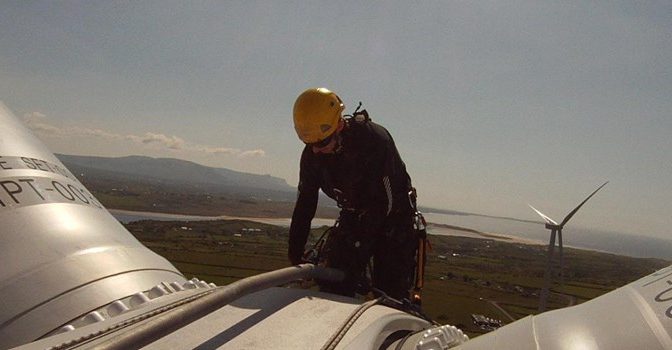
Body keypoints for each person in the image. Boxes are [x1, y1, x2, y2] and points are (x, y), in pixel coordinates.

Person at [288, 87, 420, 301]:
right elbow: (305, 203)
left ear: (339, 125)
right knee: (334, 284)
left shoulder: (374, 142)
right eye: (308, 144)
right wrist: (295, 254)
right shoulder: (313, 154)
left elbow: (385, 204)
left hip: (394, 218)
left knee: (389, 294)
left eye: (322, 143)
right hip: (355, 214)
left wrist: (359, 243)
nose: (315, 151)